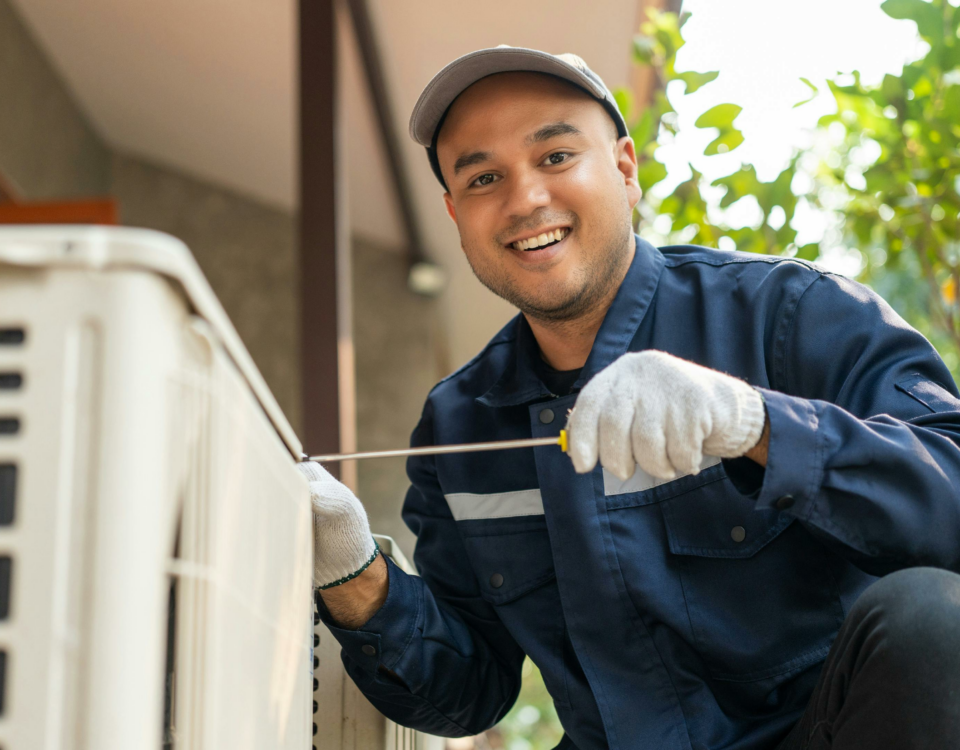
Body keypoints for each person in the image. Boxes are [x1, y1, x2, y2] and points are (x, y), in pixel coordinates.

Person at [299, 46, 960, 750]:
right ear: (455, 212)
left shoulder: (790, 315)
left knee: (933, 614)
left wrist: (759, 424)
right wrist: (354, 573)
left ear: (624, 168)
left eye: (555, 157)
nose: (525, 199)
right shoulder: (459, 426)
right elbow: (470, 693)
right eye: (485, 177)